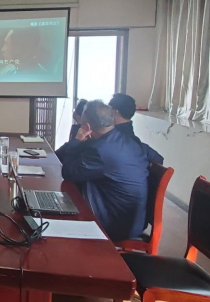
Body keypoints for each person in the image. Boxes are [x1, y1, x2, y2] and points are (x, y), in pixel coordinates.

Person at [60, 100, 163, 241]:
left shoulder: (100, 151)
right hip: (134, 218)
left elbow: (68, 172)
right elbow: (158, 159)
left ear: (87, 127)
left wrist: (77, 140)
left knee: (60, 217)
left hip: (115, 223)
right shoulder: (130, 140)